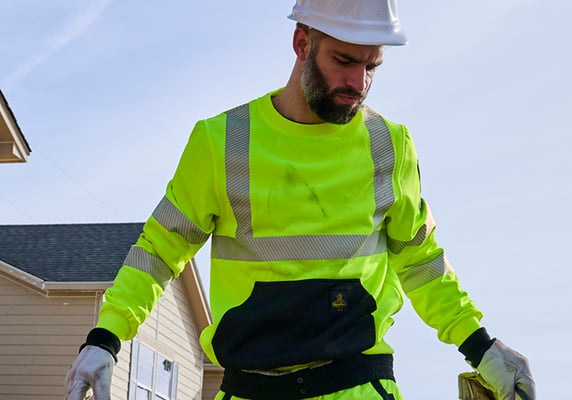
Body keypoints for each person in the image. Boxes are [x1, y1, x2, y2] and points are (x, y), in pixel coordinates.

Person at [65, 1, 535, 399]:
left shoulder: (389, 146)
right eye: (345, 60)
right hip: (249, 386)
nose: (359, 82)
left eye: (372, 66)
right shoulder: (221, 141)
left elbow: (421, 262)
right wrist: (106, 338)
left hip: (356, 385)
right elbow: (158, 251)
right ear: (302, 44)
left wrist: (481, 346)